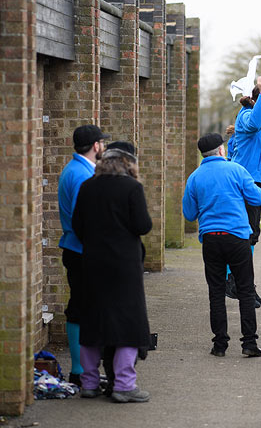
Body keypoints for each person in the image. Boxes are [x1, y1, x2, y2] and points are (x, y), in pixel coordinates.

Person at [72, 141, 153, 402]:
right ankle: (124, 385)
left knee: (93, 320)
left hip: (93, 263)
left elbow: (78, 226)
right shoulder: (132, 188)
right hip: (124, 266)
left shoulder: (87, 187)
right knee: (129, 322)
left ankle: (89, 383)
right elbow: (142, 226)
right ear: (128, 163)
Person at [182, 133, 261, 358]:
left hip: (211, 238)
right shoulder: (236, 170)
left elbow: (189, 214)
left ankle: (220, 344)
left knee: (216, 292)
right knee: (246, 290)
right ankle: (249, 343)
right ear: (221, 150)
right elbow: (256, 198)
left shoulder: (195, 177)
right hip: (237, 237)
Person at [57, 124, 109, 386]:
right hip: (81, 250)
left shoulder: (79, 170)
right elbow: (84, 218)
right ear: (95, 146)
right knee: (79, 309)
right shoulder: (80, 175)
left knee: (82, 308)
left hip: (77, 248)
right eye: (102, 142)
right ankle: (79, 371)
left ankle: (83, 369)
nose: (104, 147)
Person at [231, 75, 261, 305]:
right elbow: (252, 124)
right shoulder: (248, 116)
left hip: (253, 181)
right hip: (246, 182)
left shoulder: (259, 118)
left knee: (251, 234)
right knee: (247, 234)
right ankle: (237, 283)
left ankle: (245, 285)